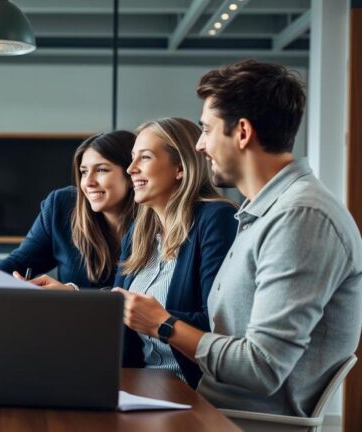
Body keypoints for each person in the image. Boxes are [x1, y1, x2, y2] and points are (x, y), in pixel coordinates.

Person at [115, 60, 362, 416]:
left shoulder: (301, 216)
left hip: (236, 420)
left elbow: (262, 368)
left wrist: (162, 324)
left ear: (242, 132)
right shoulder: (261, 213)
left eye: (206, 130)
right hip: (210, 406)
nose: (199, 145)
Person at [25, 118, 238, 387]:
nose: (131, 168)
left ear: (180, 168)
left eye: (144, 158)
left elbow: (215, 327)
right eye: (132, 158)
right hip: (140, 382)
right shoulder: (141, 230)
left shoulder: (216, 218)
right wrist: (73, 297)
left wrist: (159, 320)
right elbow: (122, 307)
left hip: (190, 389)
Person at [0, 131, 137, 288]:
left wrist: (73, 293)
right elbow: (19, 263)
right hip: (70, 313)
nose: (88, 182)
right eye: (84, 172)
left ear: (132, 175)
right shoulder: (61, 206)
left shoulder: (154, 219)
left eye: (101, 170)